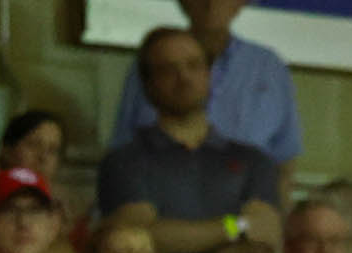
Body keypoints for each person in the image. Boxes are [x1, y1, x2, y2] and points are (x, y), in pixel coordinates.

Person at [98, 27, 280, 253]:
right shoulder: (125, 161)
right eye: (169, 69)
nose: (184, 78)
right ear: (148, 84)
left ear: (209, 74)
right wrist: (235, 225)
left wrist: (178, 246)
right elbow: (144, 239)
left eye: (194, 66)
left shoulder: (253, 161)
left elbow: (265, 237)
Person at [109, 0, 301, 190]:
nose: (211, 3)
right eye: (170, 70)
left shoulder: (268, 68)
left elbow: (284, 162)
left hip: (235, 212)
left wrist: (271, 218)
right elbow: (121, 150)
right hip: (158, 206)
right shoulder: (151, 62)